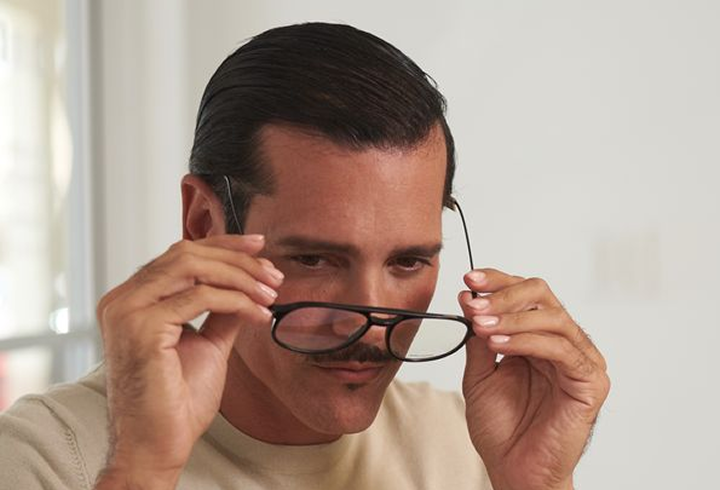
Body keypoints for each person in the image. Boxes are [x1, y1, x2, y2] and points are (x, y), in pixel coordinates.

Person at [0, 22, 609, 490]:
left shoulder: (469, 445)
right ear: (204, 223)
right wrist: (143, 469)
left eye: (408, 262)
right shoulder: (45, 458)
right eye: (315, 260)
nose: (371, 323)